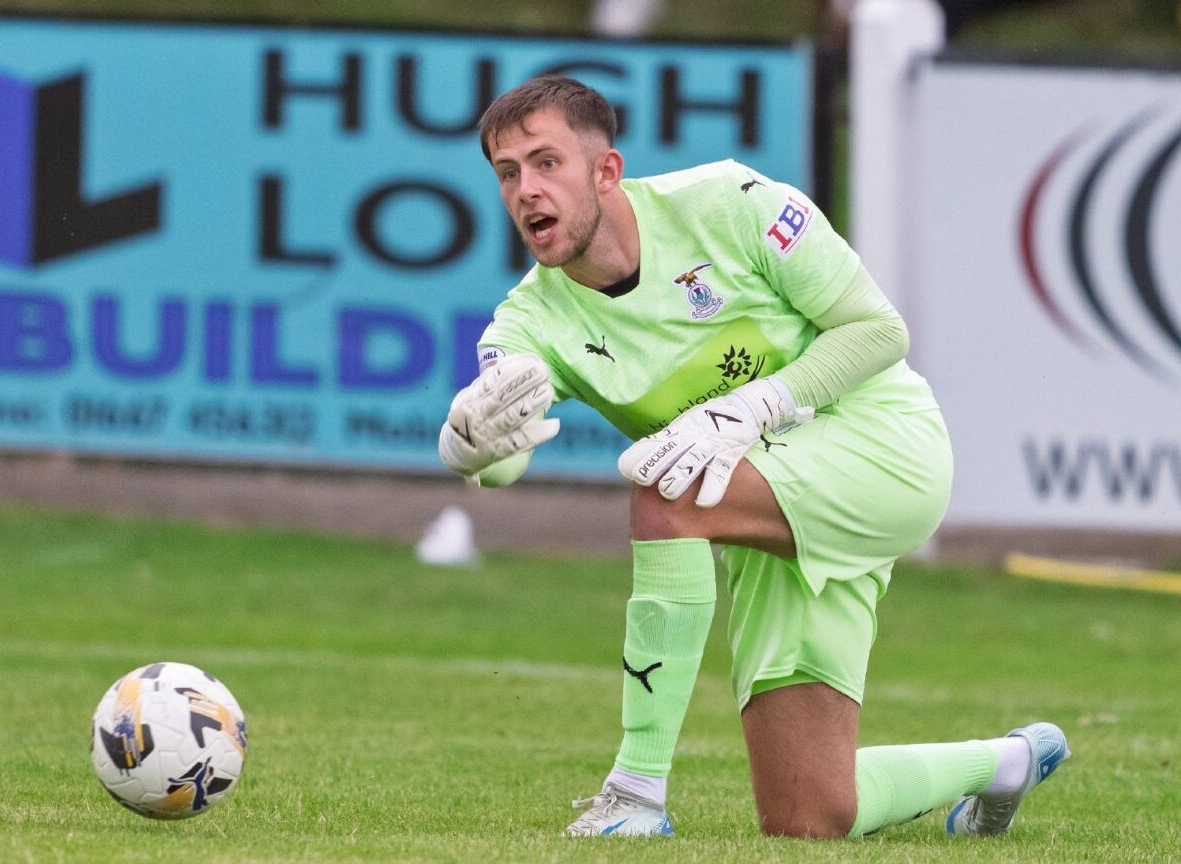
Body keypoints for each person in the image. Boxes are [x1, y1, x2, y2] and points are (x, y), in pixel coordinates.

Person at [436, 75, 1071, 839]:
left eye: (546, 163)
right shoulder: (528, 322)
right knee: (808, 815)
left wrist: (756, 404)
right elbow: (505, 458)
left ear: (606, 170)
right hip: (771, 515)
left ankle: (634, 796)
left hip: (883, 447)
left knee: (663, 492)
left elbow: (879, 331)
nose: (526, 190)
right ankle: (1003, 763)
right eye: (507, 173)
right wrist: (467, 447)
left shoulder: (731, 202)